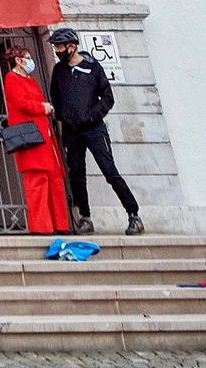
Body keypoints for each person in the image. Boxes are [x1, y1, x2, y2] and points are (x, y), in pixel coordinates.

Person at [48, 28, 144, 236]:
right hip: (72, 132)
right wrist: (64, 116)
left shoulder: (92, 67)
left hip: (94, 129)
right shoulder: (59, 71)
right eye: (55, 47)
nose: (57, 50)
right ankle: (85, 217)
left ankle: (133, 214)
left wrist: (91, 116)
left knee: (110, 171)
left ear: (72, 47)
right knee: (77, 175)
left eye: (60, 46)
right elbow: (55, 97)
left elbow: (107, 98)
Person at [2, 44, 69, 234]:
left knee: (54, 179)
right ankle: (42, 226)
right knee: (37, 181)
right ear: (18, 60)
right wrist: (43, 108)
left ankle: (60, 224)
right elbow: (21, 103)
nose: (31, 61)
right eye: (27, 57)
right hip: (30, 136)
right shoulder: (12, 78)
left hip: (44, 134)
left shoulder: (30, 80)